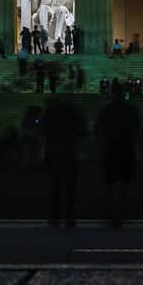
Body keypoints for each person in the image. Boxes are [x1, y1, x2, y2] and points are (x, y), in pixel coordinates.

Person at [97, 88, 140, 228]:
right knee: (124, 184)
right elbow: (136, 130)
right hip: (126, 150)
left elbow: (99, 130)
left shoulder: (107, 110)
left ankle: (111, 213)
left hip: (110, 149)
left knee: (109, 184)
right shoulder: (130, 110)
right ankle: (120, 214)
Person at [43, 94, 85, 227]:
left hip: (55, 152)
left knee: (55, 186)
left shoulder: (50, 113)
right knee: (70, 188)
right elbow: (81, 130)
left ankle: (55, 217)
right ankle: (69, 217)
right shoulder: (73, 113)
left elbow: (44, 132)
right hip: (69, 152)